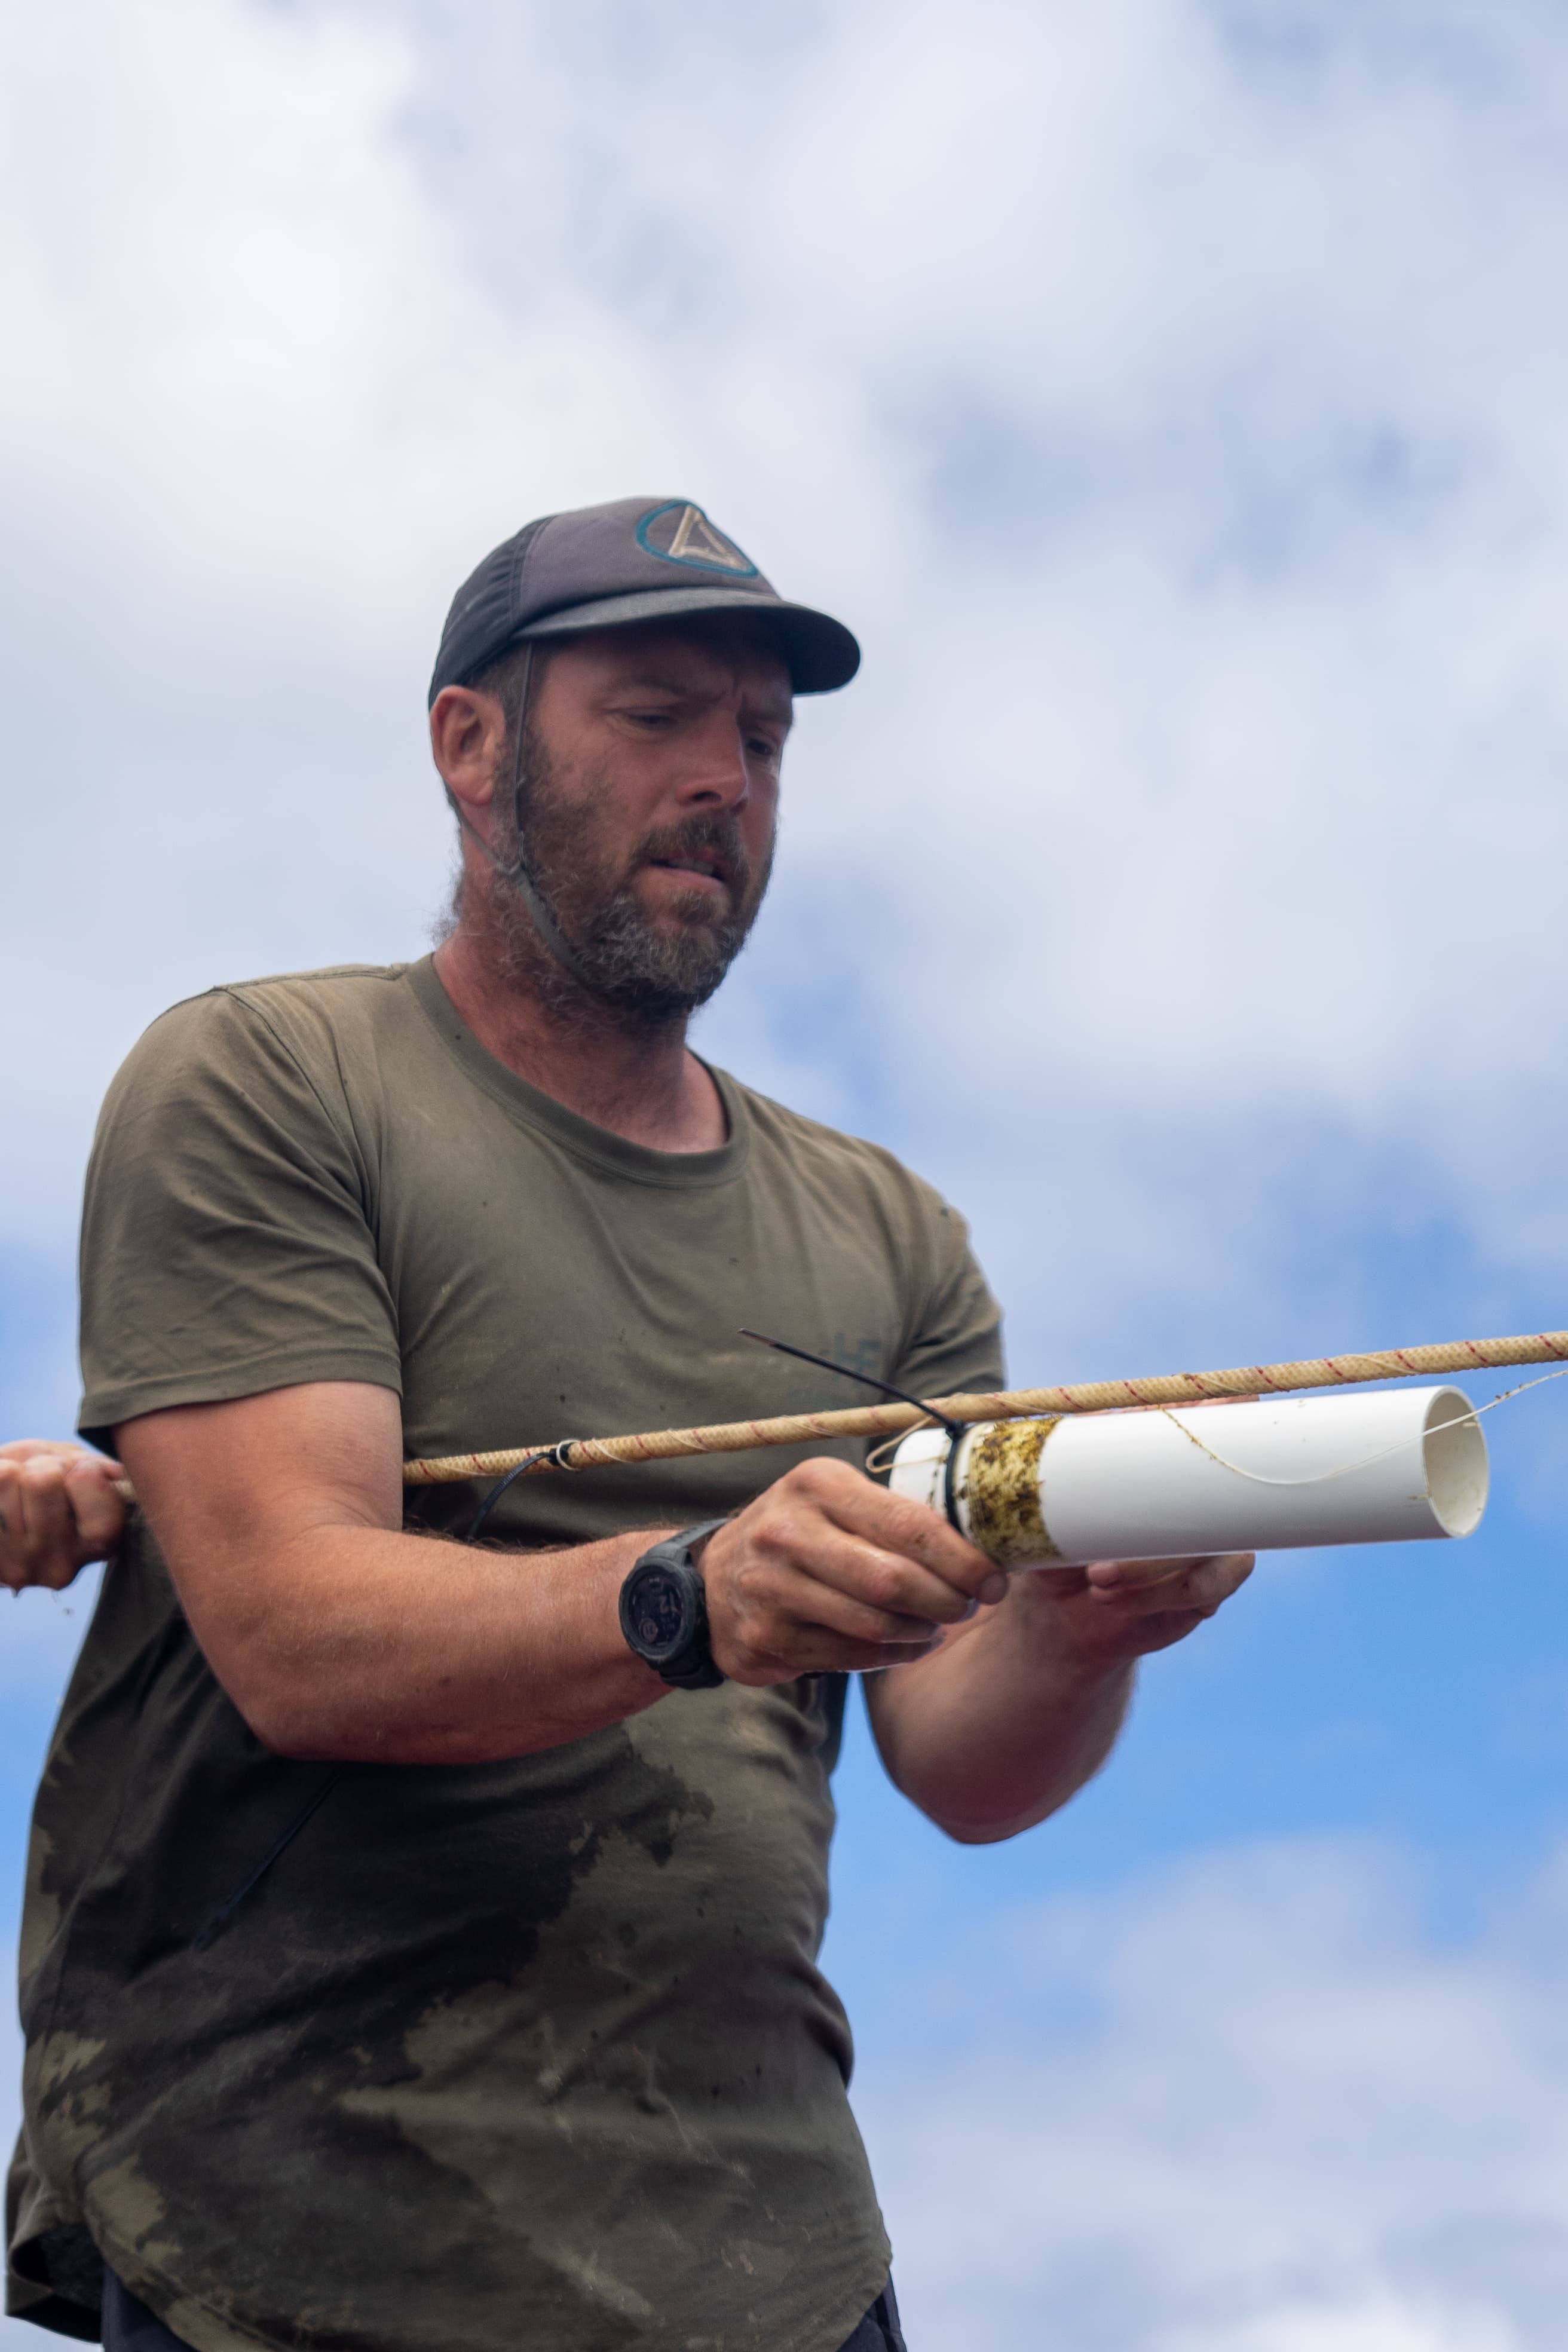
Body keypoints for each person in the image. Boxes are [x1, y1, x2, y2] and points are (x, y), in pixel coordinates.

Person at [2, 497, 1252, 2352]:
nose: (724, 782)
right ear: (469, 743)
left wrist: (1082, 1630)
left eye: (760, 742)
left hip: (775, 2263)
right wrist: (693, 1596)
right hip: (297, 2230)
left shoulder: (894, 1238)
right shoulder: (271, 1082)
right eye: (657, 714)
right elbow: (293, 1632)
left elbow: (966, 1767)